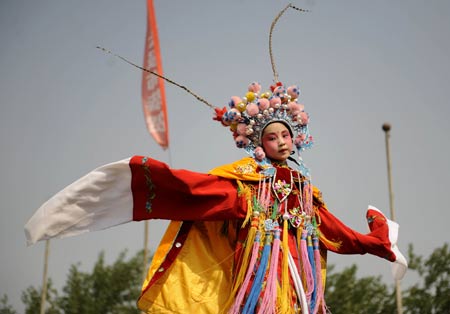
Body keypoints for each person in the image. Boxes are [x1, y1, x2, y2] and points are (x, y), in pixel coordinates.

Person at [25, 81, 407, 314]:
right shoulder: (245, 186)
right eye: (271, 137)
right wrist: (138, 176)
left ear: (296, 138)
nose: (279, 142)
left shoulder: (308, 192)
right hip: (256, 282)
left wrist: (377, 242)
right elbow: (194, 192)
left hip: (299, 287)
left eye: (284, 135)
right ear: (259, 144)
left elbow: (334, 233)